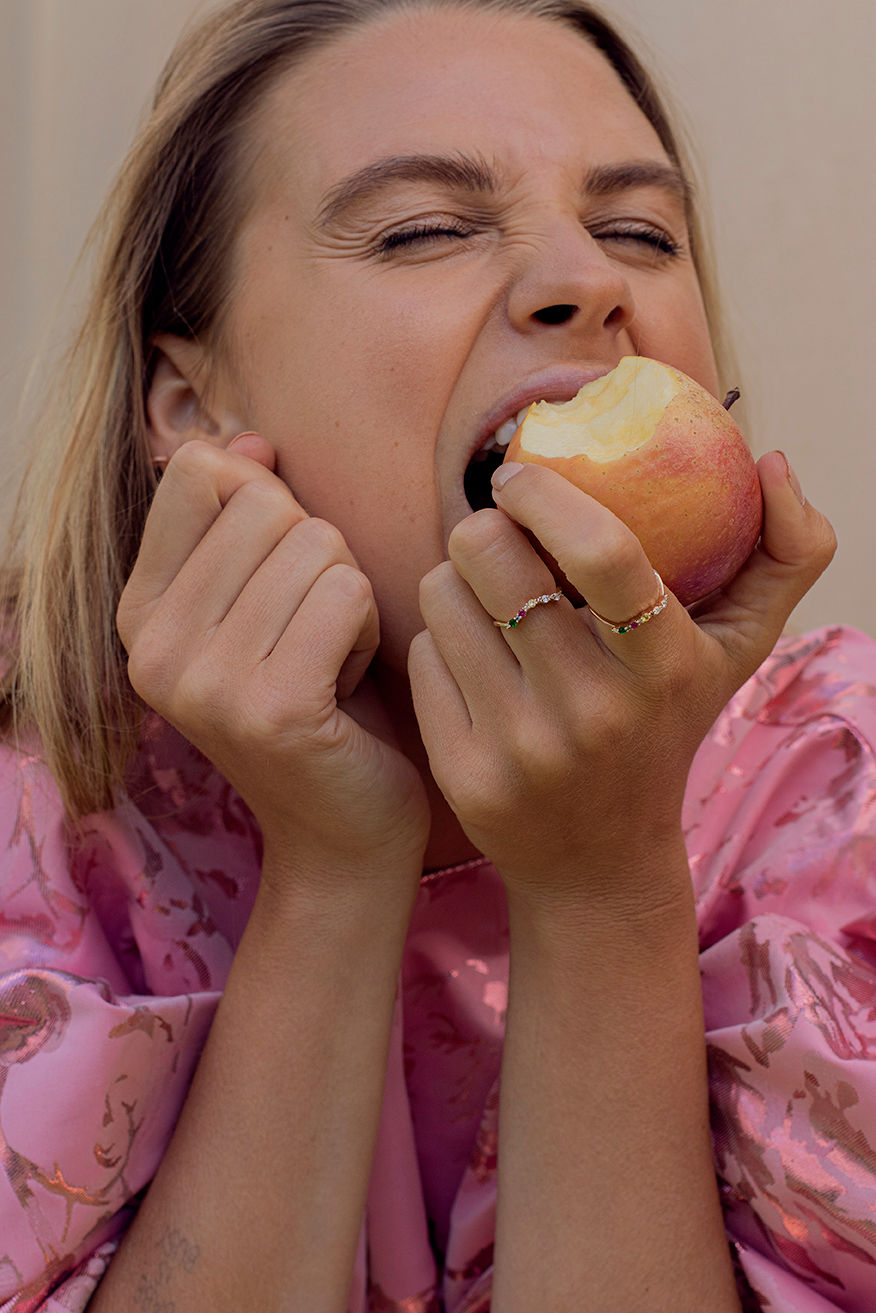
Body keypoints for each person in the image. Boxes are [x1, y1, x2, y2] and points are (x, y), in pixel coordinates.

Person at [0, 0, 872, 1309]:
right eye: (423, 229)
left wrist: (604, 881)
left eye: (639, 229)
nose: (587, 281)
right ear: (192, 404)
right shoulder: (41, 825)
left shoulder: (839, 794)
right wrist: (333, 868)